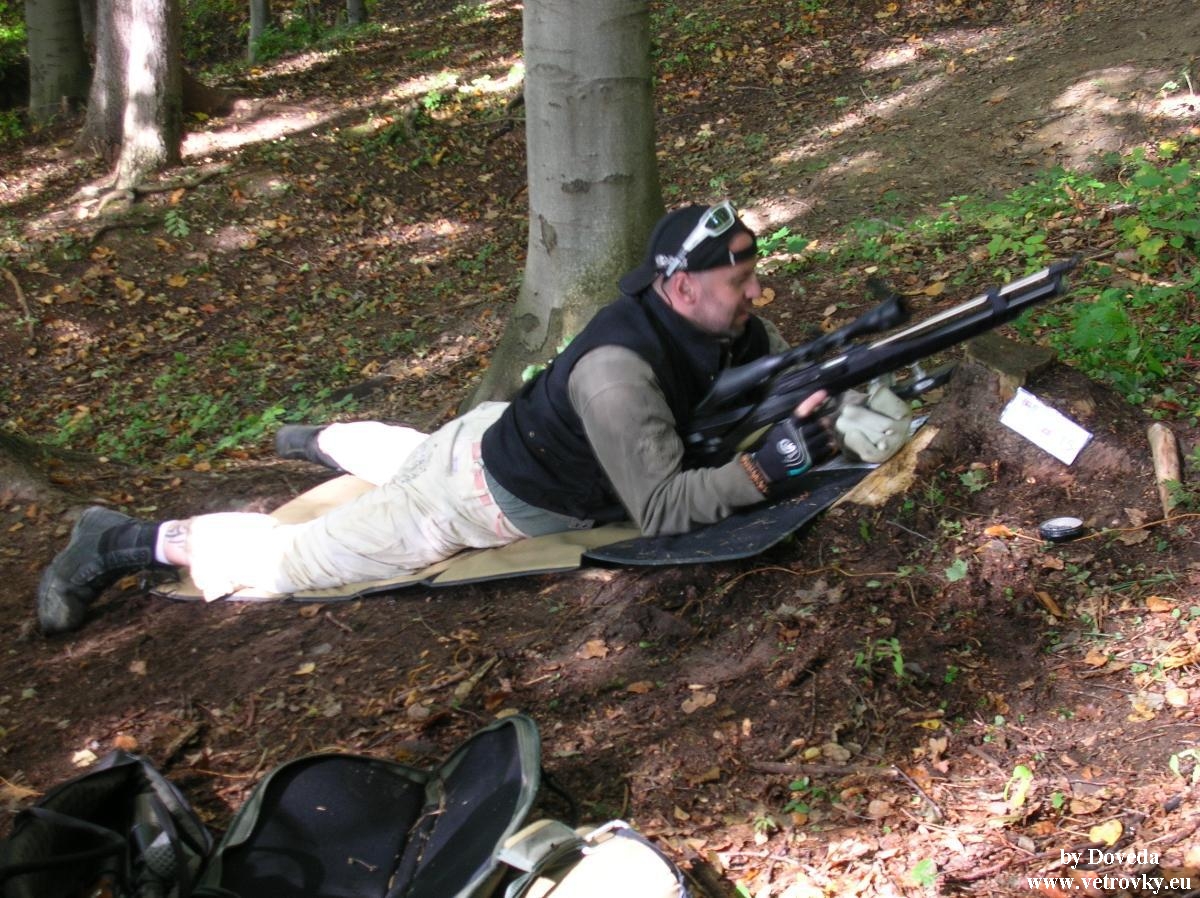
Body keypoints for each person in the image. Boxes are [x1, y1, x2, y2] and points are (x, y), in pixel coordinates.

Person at [37, 201, 911, 635]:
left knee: (421, 453)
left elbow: (774, 383)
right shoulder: (618, 373)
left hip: (496, 433)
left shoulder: (728, 327)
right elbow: (662, 510)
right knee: (290, 560)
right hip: (475, 498)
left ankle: (321, 441)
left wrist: (830, 394)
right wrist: (764, 470)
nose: (757, 292)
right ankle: (120, 540)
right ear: (679, 288)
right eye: (739, 280)